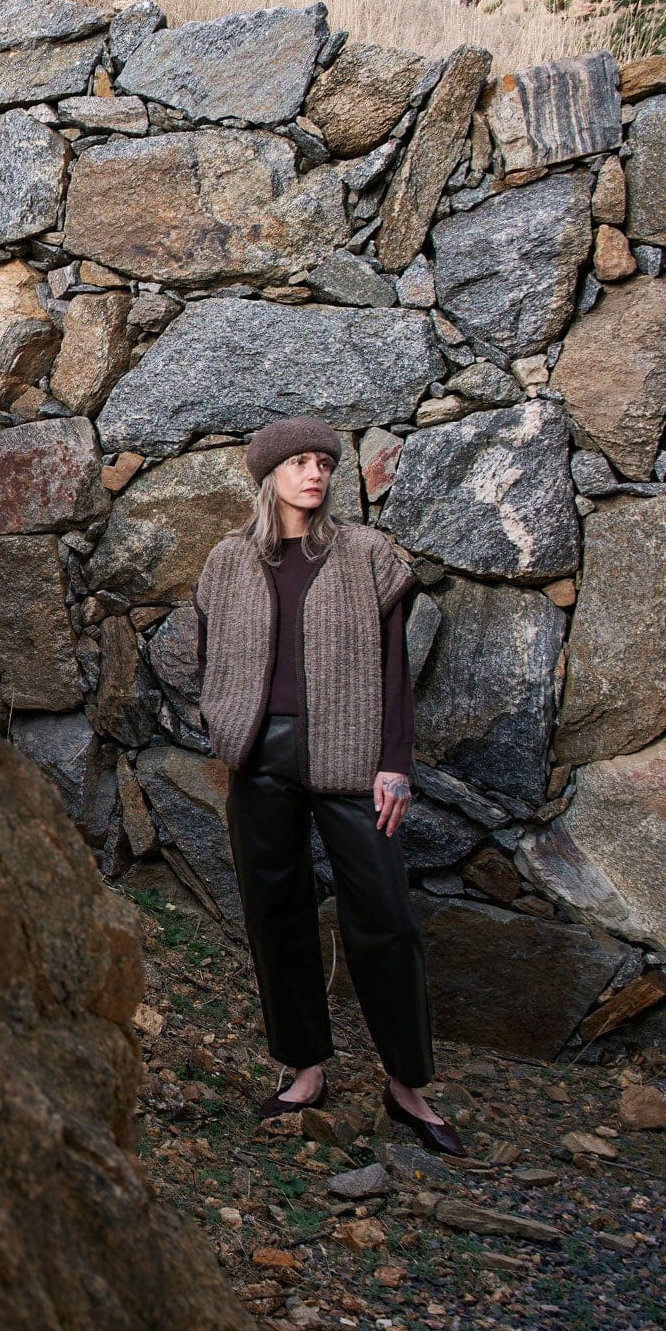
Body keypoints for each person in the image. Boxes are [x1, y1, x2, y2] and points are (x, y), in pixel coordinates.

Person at [192, 416, 466, 1157]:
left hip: (353, 762)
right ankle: (304, 1066)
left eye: (323, 463)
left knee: (385, 918)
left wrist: (395, 763)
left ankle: (407, 1086)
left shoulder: (365, 552)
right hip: (259, 760)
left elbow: (395, 671)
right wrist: (223, 720)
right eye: (299, 463)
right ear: (269, 476)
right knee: (275, 914)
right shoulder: (228, 559)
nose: (314, 474)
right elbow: (209, 651)